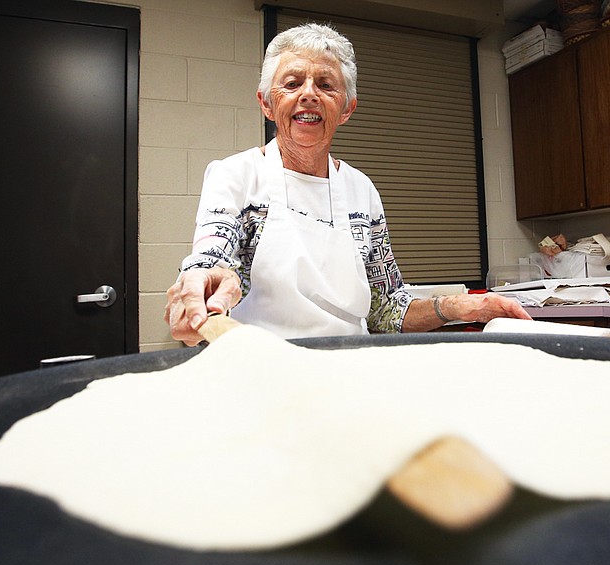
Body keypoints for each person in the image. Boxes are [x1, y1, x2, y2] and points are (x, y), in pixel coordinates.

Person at [165, 23, 530, 345]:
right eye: (292, 83)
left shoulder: (361, 190)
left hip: (350, 369)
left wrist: (461, 305)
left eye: (326, 85)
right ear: (266, 103)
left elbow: (386, 309)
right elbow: (213, 256)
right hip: (262, 369)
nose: (308, 94)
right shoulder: (237, 175)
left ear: (347, 109)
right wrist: (205, 282)